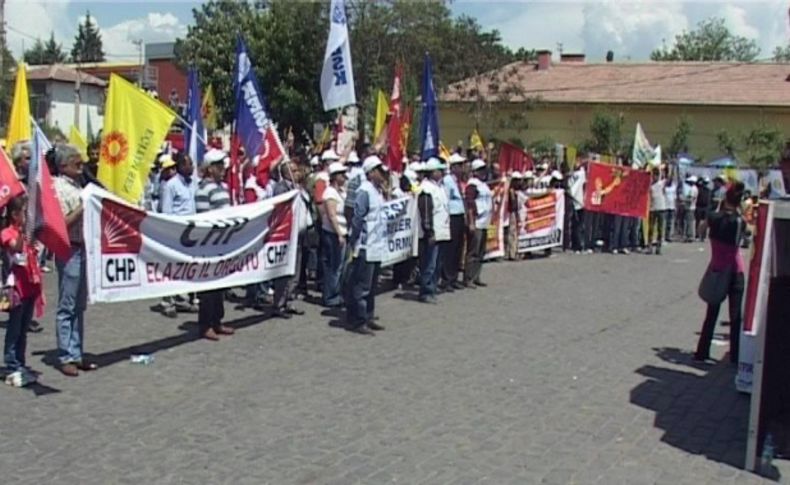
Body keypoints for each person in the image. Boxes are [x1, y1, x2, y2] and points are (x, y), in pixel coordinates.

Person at [52, 144, 96, 377]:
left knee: (79, 305)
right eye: (76, 162)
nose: (81, 165)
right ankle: (65, 355)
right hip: (68, 249)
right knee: (67, 305)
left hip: (83, 248)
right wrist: (83, 206)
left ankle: (77, 353)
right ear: (63, 165)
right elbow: (62, 223)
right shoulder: (58, 188)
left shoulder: (78, 185)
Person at [694, 182, 746, 364]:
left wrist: (717, 210)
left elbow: (700, 230)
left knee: (712, 313)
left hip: (717, 267)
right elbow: (742, 238)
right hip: (735, 270)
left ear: (725, 198)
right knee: (735, 316)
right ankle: (736, 355)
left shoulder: (714, 217)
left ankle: (702, 351)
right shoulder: (740, 221)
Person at [194, 149, 235, 341]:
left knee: (220, 285)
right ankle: (205, 324)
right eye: (219, 166)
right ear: (210, 169)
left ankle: (217, 320)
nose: (223, 169)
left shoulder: (222, 187)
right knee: (208, 288)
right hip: (209, 243)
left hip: (222, 243)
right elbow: (205, 217)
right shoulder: (204, 189)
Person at [2, 195, 42, 386]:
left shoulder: (27, 234)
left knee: (24, 328)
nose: (27, 215)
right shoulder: (7, 233)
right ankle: (11, 363)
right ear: (14, 215)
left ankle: (20, 361)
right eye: (24, 212)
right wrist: (22, 232)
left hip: (30, 286)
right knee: (14, 328)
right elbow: (15, 248)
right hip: (16, 288)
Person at [345, 156, 388, 335]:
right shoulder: (364, 191)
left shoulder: (377, 191)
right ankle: (358, 320)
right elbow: (358, 218)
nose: (382, 174)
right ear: (370, 173)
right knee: (362, 286)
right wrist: (353, 239)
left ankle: (369, 316)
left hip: (376, 245)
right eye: (379, 171)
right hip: (365, 246)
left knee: (371, 286)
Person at [159, 152, 199, 317]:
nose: (191, 167)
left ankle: (184, 299)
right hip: (176, 231)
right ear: (180, 166)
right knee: (172, 267)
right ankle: (167, 302)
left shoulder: (193, 183)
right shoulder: (171, 185)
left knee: (188, 266)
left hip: (192, 231)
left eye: (192, 164)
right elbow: (167, 210)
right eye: (188, 164)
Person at [271, 160, 308, 319]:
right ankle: (279, 304)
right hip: (286, 235)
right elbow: (280, 204)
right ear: (286, 172)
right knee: (284, 272)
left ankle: (289, 300)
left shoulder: (297, 186)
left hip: (298, 234)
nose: (297, 172)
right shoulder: (281, 187)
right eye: (293, 170)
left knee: (295, 270)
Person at [418, 158, 450, 303]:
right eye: (439, 170)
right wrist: (429, 231)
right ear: (432, 172)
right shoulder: (426, 188)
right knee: (429, 264)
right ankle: (426, 291)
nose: (442, 172)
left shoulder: (440, 187)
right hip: (432, 232)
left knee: (437, 263)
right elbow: (426, 211)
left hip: (442, 231)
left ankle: (433, 287)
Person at [320, 162, 348, 308]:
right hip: (333, 234)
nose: (345, 176)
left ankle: (337, 293)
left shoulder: (341, 192)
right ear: (335, 176)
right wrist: (339, 234)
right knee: (333, 267)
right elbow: (331, 215)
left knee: (340, 266)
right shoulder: (329, 193)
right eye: (342, 174)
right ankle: (330, 296)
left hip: (342, 232)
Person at [463, 159, 493, 288]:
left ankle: (476, 276)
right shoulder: (472, 184)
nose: (483, 172)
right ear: (475, 171)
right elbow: (469, 204)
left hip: (485, 222)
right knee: (473, 251)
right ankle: (468, 277)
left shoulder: (483, 184)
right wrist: (471, 222)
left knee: (481, 252)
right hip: (477, 221)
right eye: (480, 170)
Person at [441, 153, 467, 288]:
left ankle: (454, 277)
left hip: (459, 215)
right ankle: (447, 277)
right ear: (454, 167)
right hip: (452, 216)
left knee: (458, 247)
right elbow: (445, 199)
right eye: (460, 165)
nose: (463, 168)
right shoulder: (447, 180)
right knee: (451, 248)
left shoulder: (457, 181)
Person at [568, 163, 587, 253]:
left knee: (577, 225)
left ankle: (576, 245)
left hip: (578, 201)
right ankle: (577, 246)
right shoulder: (580, 174)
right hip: (578, 202)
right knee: (577, 225)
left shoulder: (573, 175)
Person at [647, 168, 666, 255]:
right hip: (652, 208)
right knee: (651, 228)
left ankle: (658, 247)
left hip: (661, 208)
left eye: (657, 175)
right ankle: (650, 246)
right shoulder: (650, 185)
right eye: (654, 175)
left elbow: (670, 179)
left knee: (660, 229)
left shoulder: (661, 183)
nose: (656, 177)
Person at [506, 172, 523, 260]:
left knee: (516, 232)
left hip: (516, 212)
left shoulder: (518, 190)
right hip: (512, 212)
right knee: (512, 232)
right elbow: (513, 202)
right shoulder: (511, 190)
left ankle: (515, 251)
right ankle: (512, 253)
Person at [682, 176, 698, 242]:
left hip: (690, 208)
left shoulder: (693, 189)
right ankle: (689, 236)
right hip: (690, 207)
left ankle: (690, 236)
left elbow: (691, 199)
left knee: (689, 223)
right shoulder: (694, 188)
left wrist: (684, 200)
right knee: (689, 222)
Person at [695, 177, 711, 241]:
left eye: (706, 183)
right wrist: (700, 179)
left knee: (705, 222)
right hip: (699, 206)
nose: (705, 184)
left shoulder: (708, 190)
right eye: (704, 183)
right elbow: (696, 183)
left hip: (706, 207)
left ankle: (703, 236)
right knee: (698, 221)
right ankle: (697, 235)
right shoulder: (698, 188)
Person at [664, 176, 677, 243]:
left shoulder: (674, 187)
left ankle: (668, 236)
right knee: (664, 222)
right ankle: (663, 236)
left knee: (669, 223)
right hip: (665, 206)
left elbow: (675, 197)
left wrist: (675, 206)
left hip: (671, 207)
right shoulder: (664, 187)